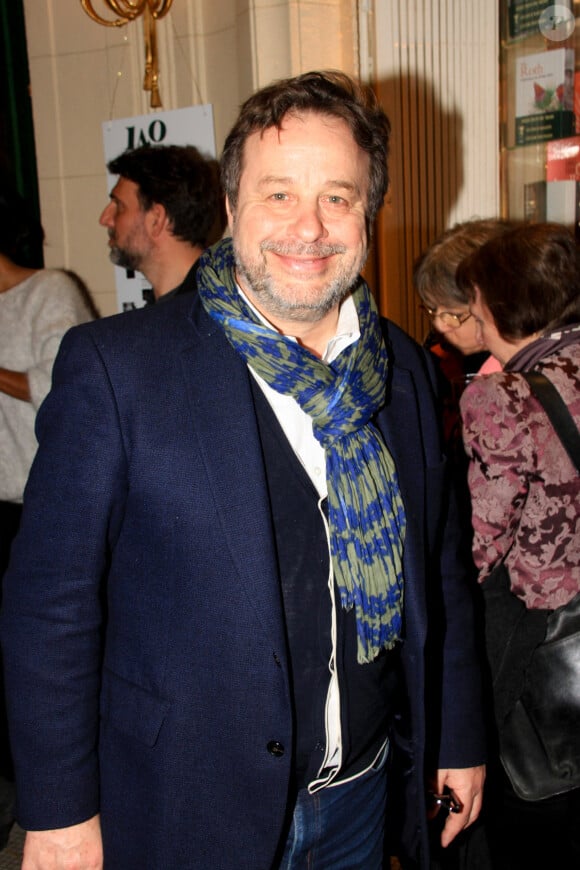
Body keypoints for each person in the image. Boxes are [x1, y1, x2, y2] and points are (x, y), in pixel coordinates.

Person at [1, 70, 486, 870]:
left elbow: (440, 570)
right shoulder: (120, 371)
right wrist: (57, 813)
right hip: (183, 806)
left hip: (361, 798)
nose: (310, 227)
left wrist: (457, 733)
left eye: (338, 196)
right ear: (231, 209)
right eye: (278, 195)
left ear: (370, 214)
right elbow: (51, 607)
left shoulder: (400, 369)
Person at [457, 222, 580, 869]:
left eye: (477, 304)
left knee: (527, 830)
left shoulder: (503, 395)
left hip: (542, 650)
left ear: (503, 302)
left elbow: (484, 542)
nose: (473, 318)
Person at [0, 184, 97, 851]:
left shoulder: (50, 289)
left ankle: (49, 808)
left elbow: (62, 385)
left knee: (38, 668)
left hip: (36, 510)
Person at [413, 219, 513, 448]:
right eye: (431, 310)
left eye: (453, 314)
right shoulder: (441, 357)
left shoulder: (509, 380)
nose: (439, 325)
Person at [99, 143, 221, 302]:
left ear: (156, 219)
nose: (104, 219)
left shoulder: (218, 311)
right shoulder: (167, 310)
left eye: (120, 206)